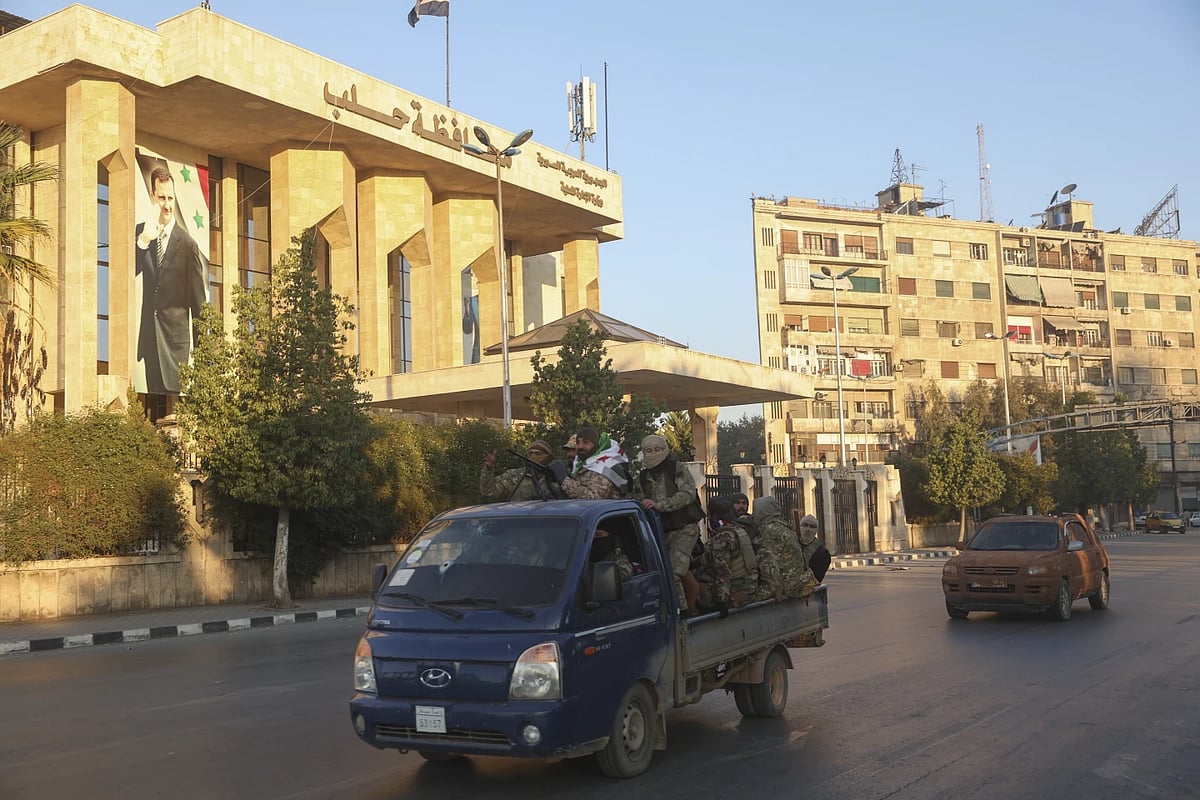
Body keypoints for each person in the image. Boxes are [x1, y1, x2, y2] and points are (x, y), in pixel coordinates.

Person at [135, 164, 207, 395]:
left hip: (176, 347)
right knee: (151, 411)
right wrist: (142, 242)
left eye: (171, 198)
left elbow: (199, 307)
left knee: (175, 416)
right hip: (150, 340)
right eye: (162, 198)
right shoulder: (141, 234)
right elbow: (124, 273)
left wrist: (204, 359)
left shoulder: (188, 246)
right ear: (152, 196)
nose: (167, 205)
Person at [631, 434, 705, 613]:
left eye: (657, 449)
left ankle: (681, 612)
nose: (653, 453)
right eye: (648, 450)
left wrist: (660, 505)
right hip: (659, 531)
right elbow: (635, 499)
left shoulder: (676, 469)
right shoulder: (641, 477)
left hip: (684, 529)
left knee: (672, 572)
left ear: (665, 450)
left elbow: (688, 493)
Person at [693, 496, 759, 617]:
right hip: (749, 586)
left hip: (737, 592)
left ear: (714, 516)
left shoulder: (722, 536)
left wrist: (722, 600)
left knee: (694, 589)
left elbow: (722, 571)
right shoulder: (738, 530)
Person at [752, 496, 818, 601]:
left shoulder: (769, 530)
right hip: (796, 582)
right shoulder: (784, 527)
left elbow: (768, 562)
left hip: (788, 585)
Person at [552, 427, 627, 500]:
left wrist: (564, 480)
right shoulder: (583, 466)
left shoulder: (604, 467)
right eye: (578, 443)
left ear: (595, 444)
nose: (580, 446)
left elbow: (594, 498)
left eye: (585, 442)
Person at [480, 440, 556, 501]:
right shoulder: (514, 475)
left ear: (547, 456)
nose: (533, 457)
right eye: (530, 453)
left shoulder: (556, 476)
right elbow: (488, 491)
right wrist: (488, 469)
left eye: (538, 453)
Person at [797, 513, 832, 582]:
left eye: (812, 526)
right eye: (805, 525)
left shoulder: (822, 553)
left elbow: (816, 578)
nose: (808, 529)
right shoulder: (791, 545)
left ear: (816, 530)